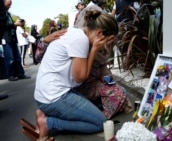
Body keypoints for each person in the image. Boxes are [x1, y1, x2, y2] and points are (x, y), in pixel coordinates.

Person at [23, 10, 118, 140]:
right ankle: (48, 123)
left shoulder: (75, 33)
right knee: (100, 122)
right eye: (109, 40)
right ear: (100, 34)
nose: (107, 45)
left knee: (91, 110)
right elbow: (80, 77)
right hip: (53, 96)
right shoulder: (81, 40)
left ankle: (43, 114)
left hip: (46, 94)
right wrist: (94, 49)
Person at [0, 0, 30, 81]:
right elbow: (3, 26)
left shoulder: (8, 14)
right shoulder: (2, 14)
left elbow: (10, 26)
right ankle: (10, 75)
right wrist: (14, 24)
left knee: (17, 57)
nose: (10, 5)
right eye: (9, 3)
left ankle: (20, 73)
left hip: (13, 37)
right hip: (6, 38)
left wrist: (16, 25)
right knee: (10, 58)